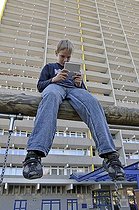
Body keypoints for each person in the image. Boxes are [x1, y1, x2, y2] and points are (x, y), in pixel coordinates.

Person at [23, 39, 125, 181]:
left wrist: (79, 83)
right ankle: (34, 155)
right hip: (55, 86)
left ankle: (110, 156)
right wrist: (54, 79)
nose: (65, 60)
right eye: (62, 56)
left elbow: (84, 94)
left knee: (93, 102)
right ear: (57, 53)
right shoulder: (49, 67)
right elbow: (40, 86)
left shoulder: (74, 70)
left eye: (68, 57)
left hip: (73, 89)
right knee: (50, 96)